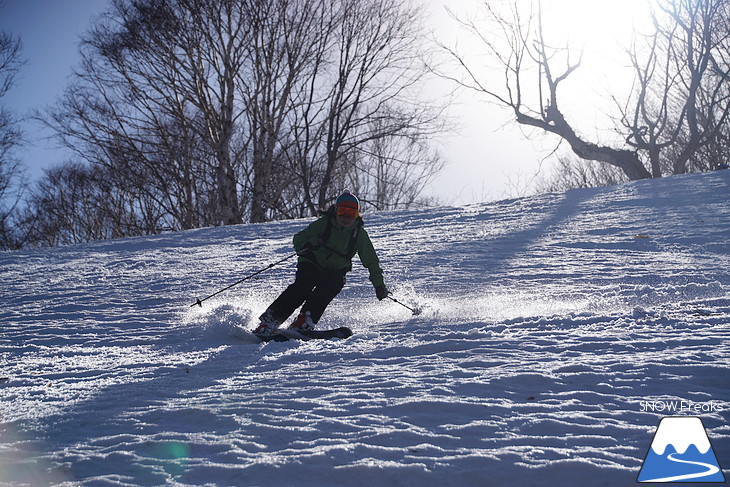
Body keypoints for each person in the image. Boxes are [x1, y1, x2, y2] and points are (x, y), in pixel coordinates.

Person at [254, 191, 388, 334]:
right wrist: (308, 244)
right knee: (302, 287)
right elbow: (299, 238)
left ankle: (304, 321)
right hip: (312, 262)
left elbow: (372, 262)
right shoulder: (324, 223)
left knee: (331, 285)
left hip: (335, 270)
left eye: (351, 213)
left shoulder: (359, 235)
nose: (346, 217)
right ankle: (269, 321)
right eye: (342, 211)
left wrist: (379, 285)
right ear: (336, 210)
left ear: (357, 215)